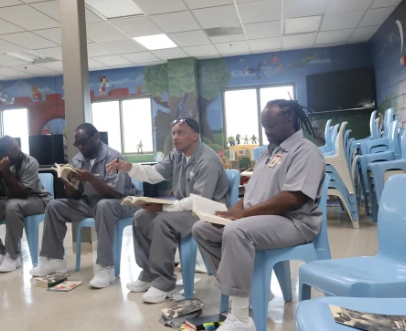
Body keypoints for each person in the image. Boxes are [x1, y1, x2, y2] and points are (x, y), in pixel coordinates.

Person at [192, 100, 325, 331]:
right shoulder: (268, 153)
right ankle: (250, 291)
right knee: (203, 229)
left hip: (295, 222)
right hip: (263, 219)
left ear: (289, 120)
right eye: (264, 126)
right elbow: (252, 193)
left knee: (237, 231)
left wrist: (242, 216)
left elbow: (292, 199)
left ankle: (241, 318)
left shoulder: (306, 152)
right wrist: (233, 211)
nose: (266, 132)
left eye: (271, 126)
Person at [106, 118, 228, 301]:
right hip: (186, 209)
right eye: (174, 133)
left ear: (196, 136)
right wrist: (127, 167)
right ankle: (148, 274)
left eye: (181, 133)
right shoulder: (177, 155)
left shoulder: (207, 160)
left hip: (207, 212)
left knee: (163, 221)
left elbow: (199, 200)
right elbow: (154, 174)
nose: (176, 137)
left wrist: (165, 208)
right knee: (141, 217)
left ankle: (165, 283)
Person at [31, 123, 139, 289]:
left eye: (83, 142)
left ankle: (105, 268)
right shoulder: (78, 160)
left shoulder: (114, 157)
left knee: (104, 206)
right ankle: (54, 260)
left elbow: (115, 194)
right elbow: (75, 195)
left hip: (122, 202)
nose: (80, 147)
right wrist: (69, 183)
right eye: (77, 144)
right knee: (54, 206)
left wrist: (91, 178)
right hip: (91, 202)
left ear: (96, 137)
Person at [0, 136, 51, 273]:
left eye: (18, 146)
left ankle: (13, 256)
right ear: (4, 155)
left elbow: (24, 193)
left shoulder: (30, 162)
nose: (19, 150)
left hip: (37, 199)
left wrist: (7, 174)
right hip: (11, 200)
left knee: (13, 206)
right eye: (14, 148)